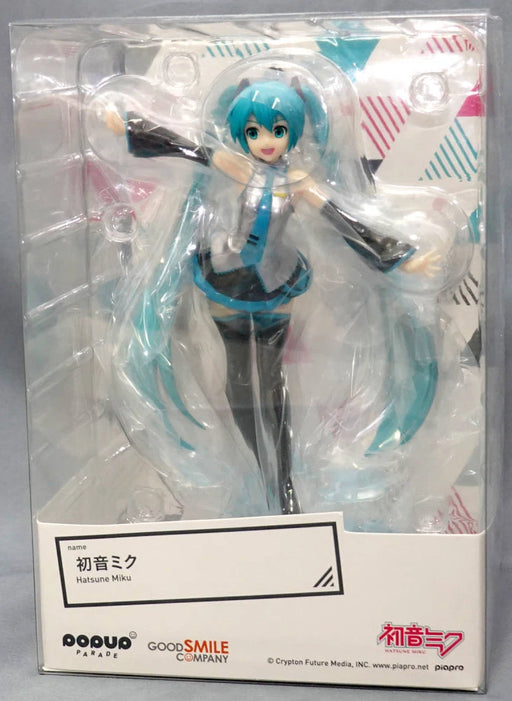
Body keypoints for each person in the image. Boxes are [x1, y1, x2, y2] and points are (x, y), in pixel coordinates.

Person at [106, 75, 439, 516]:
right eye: (254, 131)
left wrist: (397, 257)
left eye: (278, 130)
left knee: (271, 380)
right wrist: (130, 127)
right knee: (238, 379)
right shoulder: (236, 167)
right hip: (227, 279)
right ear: (242, 134)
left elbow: (345, 221)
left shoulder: (298, 182)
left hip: (276, 284)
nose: (266, 141)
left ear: (293, 133)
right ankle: (258, 470)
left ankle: (282, 483)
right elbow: (186, 148)